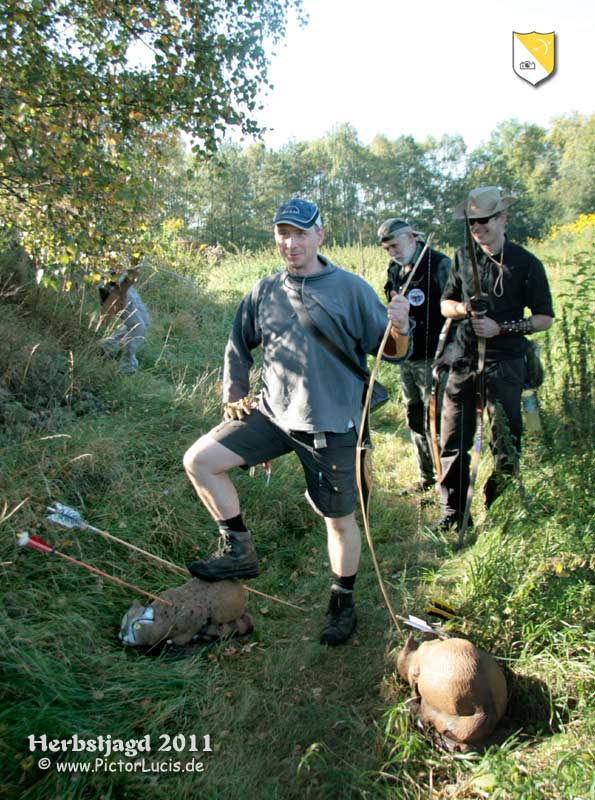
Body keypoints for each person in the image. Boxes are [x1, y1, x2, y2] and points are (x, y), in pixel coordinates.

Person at [183, 198, 412, 646]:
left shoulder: (351, 288)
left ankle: (341, 603)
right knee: (200, 460)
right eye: (283, 234)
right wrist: (233, 393)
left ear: (319, 236)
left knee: (340, 521)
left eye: (300, 233)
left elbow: (391, 351)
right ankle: (238, 549)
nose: (291, 243)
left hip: (332, 424)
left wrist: (400, 327)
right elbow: (238, 343)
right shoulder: (264, 290)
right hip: (271, 416)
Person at [437, 186, 554, 532]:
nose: (477, 227)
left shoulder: (526, 263)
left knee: (506, 438)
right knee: (453, 437)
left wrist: (500, 328)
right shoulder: (461, 257)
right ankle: (454, 512)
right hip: (462, 361)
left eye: (483, 220)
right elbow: (446, 304)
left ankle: (499, 508)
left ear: (502, 217)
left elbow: (544, 318)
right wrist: (462, 309)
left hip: (505, 363)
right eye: (472, 222)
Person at [378, 218, 452, 495]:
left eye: (395, 245)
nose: (393, 253)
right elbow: (391, 293)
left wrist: (450, 351)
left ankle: (446, 479)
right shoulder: (396, 269)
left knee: (437, 417)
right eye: (387, 249)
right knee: (414, 415)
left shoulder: (439, 264)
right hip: (406, 355)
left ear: (411, 237)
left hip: (434, 357)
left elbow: (456, 309)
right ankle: (426, 476)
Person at [99, 263, 150, 374]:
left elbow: (133, 269)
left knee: (145, 322)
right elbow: (130, 271)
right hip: (114, 286)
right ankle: (127, 368)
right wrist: (122, 295)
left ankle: (107, 346)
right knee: (138, 328)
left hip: (124, 284)